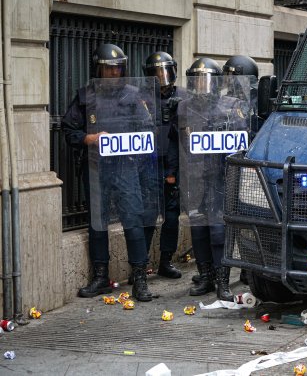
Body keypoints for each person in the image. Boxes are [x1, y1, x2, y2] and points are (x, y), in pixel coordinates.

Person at [62, 43, 154, 302]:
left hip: (125, 167)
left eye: (118, 68)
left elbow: (147, 128)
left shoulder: (134, 95)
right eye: (109, 69)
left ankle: (140, 278)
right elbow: (69, 129)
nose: (115, 73)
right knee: (97, 224)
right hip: (96, 168)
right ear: (98, 69)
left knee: (133, 221)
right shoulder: (85, 96)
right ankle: (101, 277)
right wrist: (89, 139)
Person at [174, 57, 251, 299]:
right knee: (198, 230)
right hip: (196, 178)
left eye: (206, 80)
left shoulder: (230, 106)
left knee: (219, 231)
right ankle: (205, 276)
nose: (201, 85)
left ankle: (223, 280)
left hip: (220, 177)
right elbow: (177, 143)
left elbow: (241, 141)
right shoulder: (184, 107)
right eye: (196, 80)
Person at [139, 51, 185, 281]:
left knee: (171, 217)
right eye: (156, 74)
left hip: (172, 169)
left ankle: (166, 261)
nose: (162, 78)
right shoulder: (141, 99)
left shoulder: (182, 96)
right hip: (148, 167)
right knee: (147, 217)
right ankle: (140, 266)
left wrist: (183, 109)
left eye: (165, 72)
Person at [223, 55, 259, 286]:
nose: (229, 81)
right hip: (229, 167)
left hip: (250, 172)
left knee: (249, 220)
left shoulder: (257, 101)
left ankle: (250, 267)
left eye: (233, 77)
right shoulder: (225, 102)